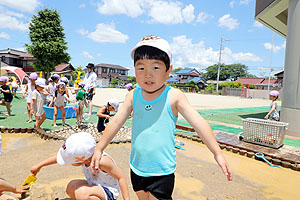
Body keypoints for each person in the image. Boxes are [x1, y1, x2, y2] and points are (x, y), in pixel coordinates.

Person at [91, 35, 232, 200]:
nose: (148, 75)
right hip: (137, 168)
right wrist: (99, 148)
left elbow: (198, 122)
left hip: (162, 171)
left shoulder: (174, 96)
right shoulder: (133, 96)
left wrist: (217, 153)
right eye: (141, 68)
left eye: (156, 68)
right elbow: (115, 122)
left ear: (168, 70)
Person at [30, 132, 130, 200]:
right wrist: (39, 165)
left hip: (108, 191)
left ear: (83, 160)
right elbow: (57, 158)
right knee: (70, 187)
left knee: (82, 193)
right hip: (95, 184)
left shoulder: (102, 161)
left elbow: (121, 177)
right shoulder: (86, 155)